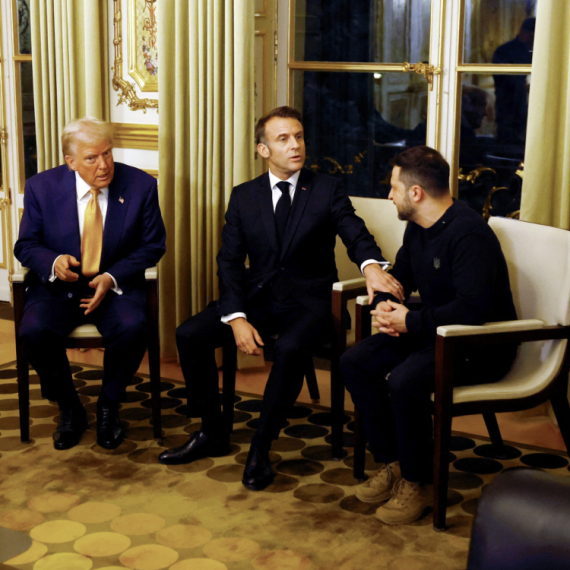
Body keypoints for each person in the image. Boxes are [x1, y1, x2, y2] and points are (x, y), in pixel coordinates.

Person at [158, 106, 404, 491]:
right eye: (284, 139)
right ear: (263, 150)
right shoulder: (244, 196)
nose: (295, 146)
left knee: (289, 348)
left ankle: (261, 446)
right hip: (259, 300)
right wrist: (237, 317)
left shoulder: (326, 189)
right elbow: (229, 263)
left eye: (299, 136)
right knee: (189, 334)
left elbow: (355, 232)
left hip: (312, 303)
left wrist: (371, 265)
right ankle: (211, 432)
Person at [341, 146, 517, 525]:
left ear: (416, 193)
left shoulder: (469, 233)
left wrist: (410, 321)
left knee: (404, 381)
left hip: (481, 345)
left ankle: (419, 482)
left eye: (393, 188)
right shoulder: (418, 227)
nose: (390, 196)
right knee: (355, 362)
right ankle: (395, 463)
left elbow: (472, 310)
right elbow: (400, 278)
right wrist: (385, 305)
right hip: (436, 333)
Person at [14, 116, 166, 451]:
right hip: (59, 289)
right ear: (70, 162)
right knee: (34, 331)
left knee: (132, 327)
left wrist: (111, 277)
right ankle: (69, 406)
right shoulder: (42, 187)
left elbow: (153, 245)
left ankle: (109, 404)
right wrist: (53, 262)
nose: (104, 165)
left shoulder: (140, 185)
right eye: (91, 158)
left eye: (107, 153)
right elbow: (25, 246)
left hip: (114, 288)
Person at [492, 18, 535, 144]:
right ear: (528, 34)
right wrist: (526, 86)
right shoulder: (504, 51)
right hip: (508, 107)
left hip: (522, 105)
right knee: (507, 142)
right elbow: (505, 79)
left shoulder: (530, 51)